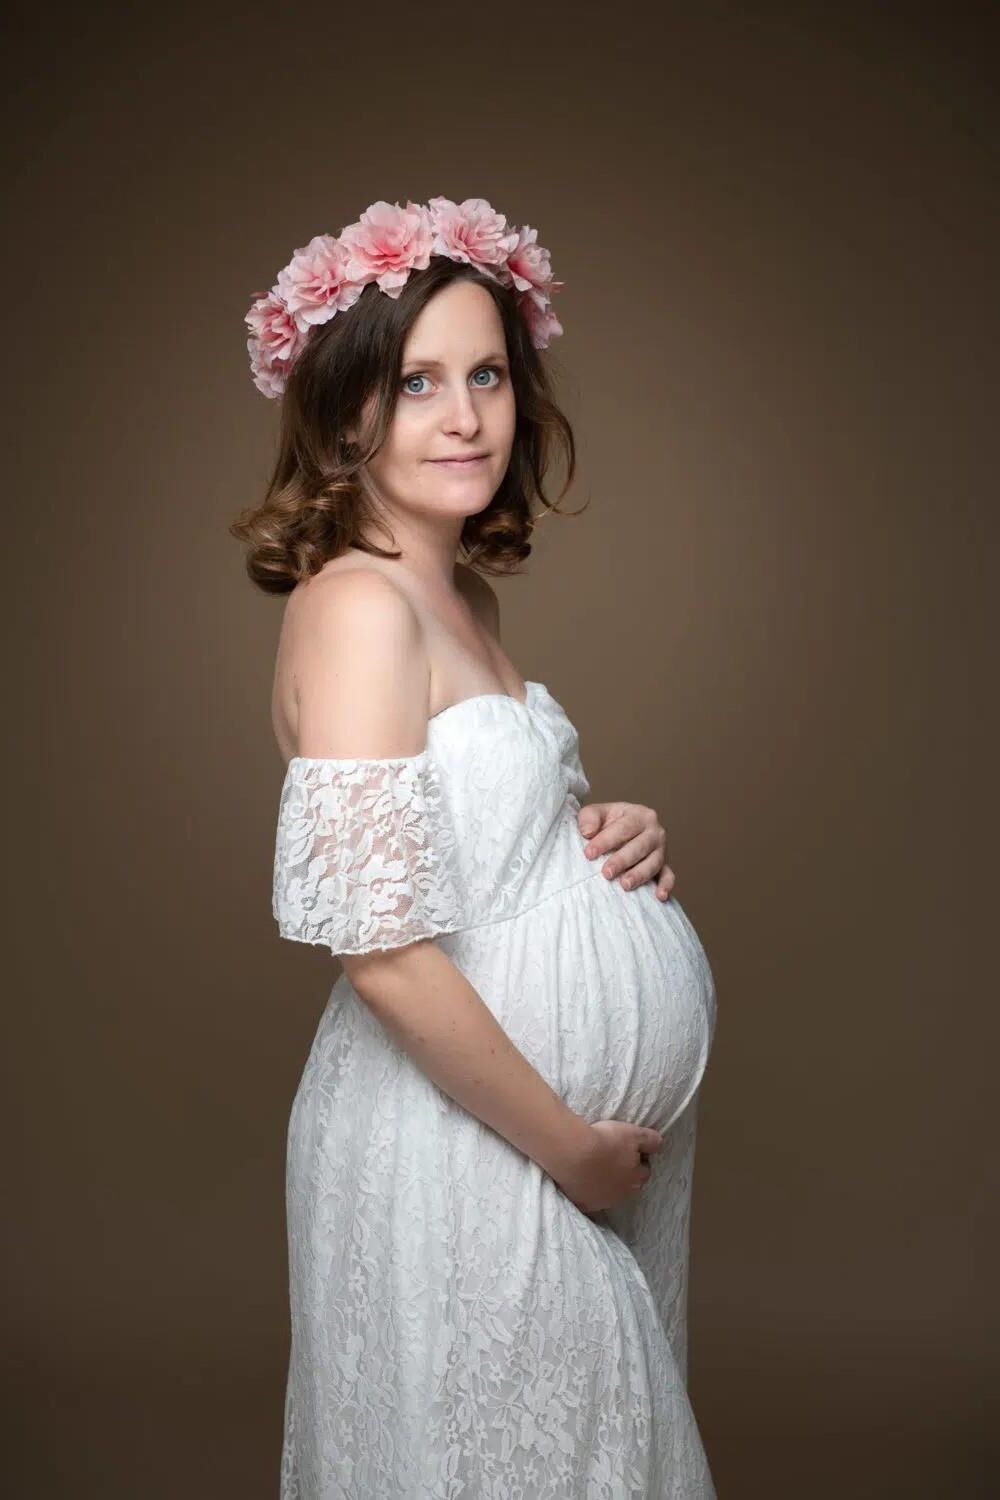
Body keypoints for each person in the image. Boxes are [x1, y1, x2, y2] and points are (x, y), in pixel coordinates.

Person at [232, 197, 718, 1498]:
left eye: (489, 375)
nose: (465, 417)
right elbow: (379, 945)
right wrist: (570, 1148)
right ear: (345, 413)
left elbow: (480, 843)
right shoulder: (355, 607)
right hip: (470, 1143)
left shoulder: (461, 593)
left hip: (535, 1137)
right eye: (418, 383)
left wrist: (607, 831)